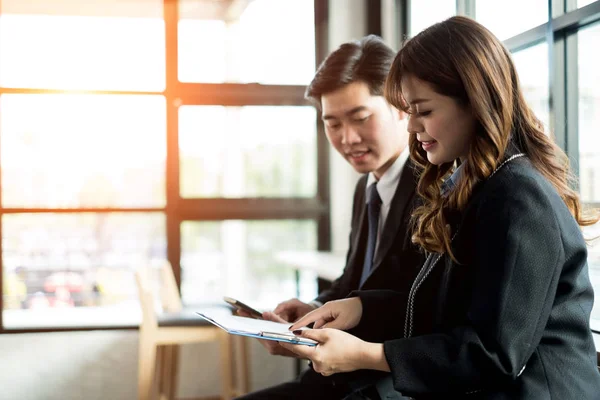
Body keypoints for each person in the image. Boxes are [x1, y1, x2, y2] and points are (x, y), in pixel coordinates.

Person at [285, 16, 600, 399]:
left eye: (424, 111)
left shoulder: (518, 197)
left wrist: (370, 354)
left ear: (473, 100)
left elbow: (494, 355)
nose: (412, 126)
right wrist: (360, 308)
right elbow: (439, 307)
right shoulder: (479, 186)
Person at [236, 35, 425, 399]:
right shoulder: (367, 189)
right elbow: (353, 282)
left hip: (389, 384)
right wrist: (313, 311)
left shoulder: (433, 191)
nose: (347, 138)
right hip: (342, 379)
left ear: (402, 106)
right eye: (332, 124)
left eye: (360, 118)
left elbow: (421, 306)